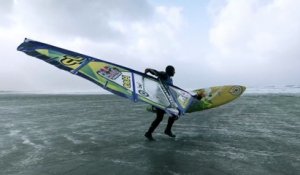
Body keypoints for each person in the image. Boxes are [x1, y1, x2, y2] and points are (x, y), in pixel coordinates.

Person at [144, 65, 179, 141]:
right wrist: (149, 70)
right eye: (173, 70)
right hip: (160, 100)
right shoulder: (164, 75)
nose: (174, 72)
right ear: (170, 71)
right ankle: (166, 130)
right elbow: (157, 73)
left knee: (161, 117)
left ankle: (149, 133)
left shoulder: (170, 79)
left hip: (165, 100)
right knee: (173, 114)